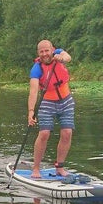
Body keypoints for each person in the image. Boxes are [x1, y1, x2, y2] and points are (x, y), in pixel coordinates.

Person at [28, 40, 73, 178]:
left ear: (52, 49)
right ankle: (36, 168)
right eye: (41, 52)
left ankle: (59, 167)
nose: (44, 54)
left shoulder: (59, 54)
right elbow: (33, 91)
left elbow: (68, 57)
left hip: (66, 101)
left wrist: (62, 57)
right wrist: (31, 112)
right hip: (47, 102)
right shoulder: (36, 68)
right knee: (44, 134)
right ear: (38, 53)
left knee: (67, 133)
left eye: (47, 50)